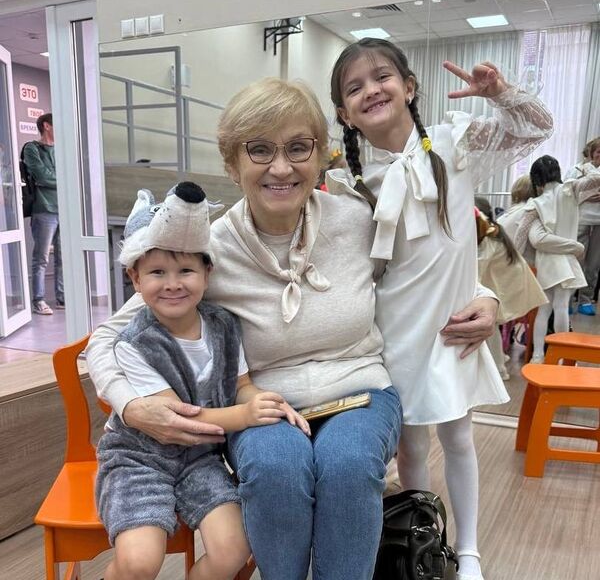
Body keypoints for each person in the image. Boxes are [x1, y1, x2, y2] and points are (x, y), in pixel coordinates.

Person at [88, 77, 405, 580]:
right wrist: (131, 404)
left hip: (359, 388)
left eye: (298, 148)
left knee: (347, 464)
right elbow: (107, 337)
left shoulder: (357, 219)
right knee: (276, 468)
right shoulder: (203, 250)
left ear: (319, 156)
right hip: (261, 402)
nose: (281, 167)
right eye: (259, 150)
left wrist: (480, 294)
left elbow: (424, 271)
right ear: (232, 164)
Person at [328, 37, 553, 580]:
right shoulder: (346, 183)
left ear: (409, 87)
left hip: (451, 326)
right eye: (354, 88)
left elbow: (538, 127)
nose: (371, 90)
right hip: (390, 332)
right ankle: (423, 539)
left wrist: (501, 94)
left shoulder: (456, 141)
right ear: (344, 114)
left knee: (458, 438)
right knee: (409, 447)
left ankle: (469, 550)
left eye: (382, 76)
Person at [96, 180, 310, 580]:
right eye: (157, 272)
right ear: (135, 278)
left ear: (207, 273)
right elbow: (177, 420)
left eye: (186, 270)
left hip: (200, 461)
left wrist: (265, 400)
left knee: (234, 550)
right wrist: (245, 415)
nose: (173, 283)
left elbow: (242, 385)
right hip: (139, 461)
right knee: (140, 561)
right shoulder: (134, 344)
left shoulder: (223, 325)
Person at [515, 155, 600, 363]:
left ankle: (537, 355)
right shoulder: (571, 189)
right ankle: (561, 354)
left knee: (543, 310)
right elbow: (596, 179)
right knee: (561, 307)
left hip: (546, 260)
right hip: (567, 259)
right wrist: (588, 166)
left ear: (536, 178)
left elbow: (521, 234)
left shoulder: (536, 203)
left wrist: (516, 260)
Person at [475, 196, 547, 380]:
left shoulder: (489, 237)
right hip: (507, 285)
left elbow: (477, 269)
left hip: (510, 288)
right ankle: (500, 357)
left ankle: (499, 369)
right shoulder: (492, 231)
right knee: (489, 322)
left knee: (488, 323)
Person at [24, 113, 64, 315]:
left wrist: (58, 178)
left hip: (64, 209)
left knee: (63, 257)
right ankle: (38, 300)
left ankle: (62, 298)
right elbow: (41, 176)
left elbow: (69, 174)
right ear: (47, 126)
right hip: (44, 210)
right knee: (41, 258)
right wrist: (63, 179)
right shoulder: (32, 148)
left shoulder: (61, 149)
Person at [565, 137, 600, 315]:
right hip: (579, 220)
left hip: (599, 223)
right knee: (575, 261)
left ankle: (586, 300)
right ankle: (568, 300)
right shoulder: (576, 169)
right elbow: (565, 192)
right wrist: (586, 195)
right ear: (591, 153)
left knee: (593, 265)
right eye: (599, 152)